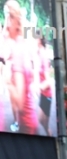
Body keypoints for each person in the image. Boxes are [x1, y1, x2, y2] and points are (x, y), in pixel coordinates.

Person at [3, 1, 38, 135]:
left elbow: (31, 50)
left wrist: (8, 82)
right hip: (15, 69)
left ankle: (20, 121)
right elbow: (4, 50)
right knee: (15, 102)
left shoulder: (24, 35)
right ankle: (17, 121)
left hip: (20, 71)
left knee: (23, 106)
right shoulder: (8, 32)